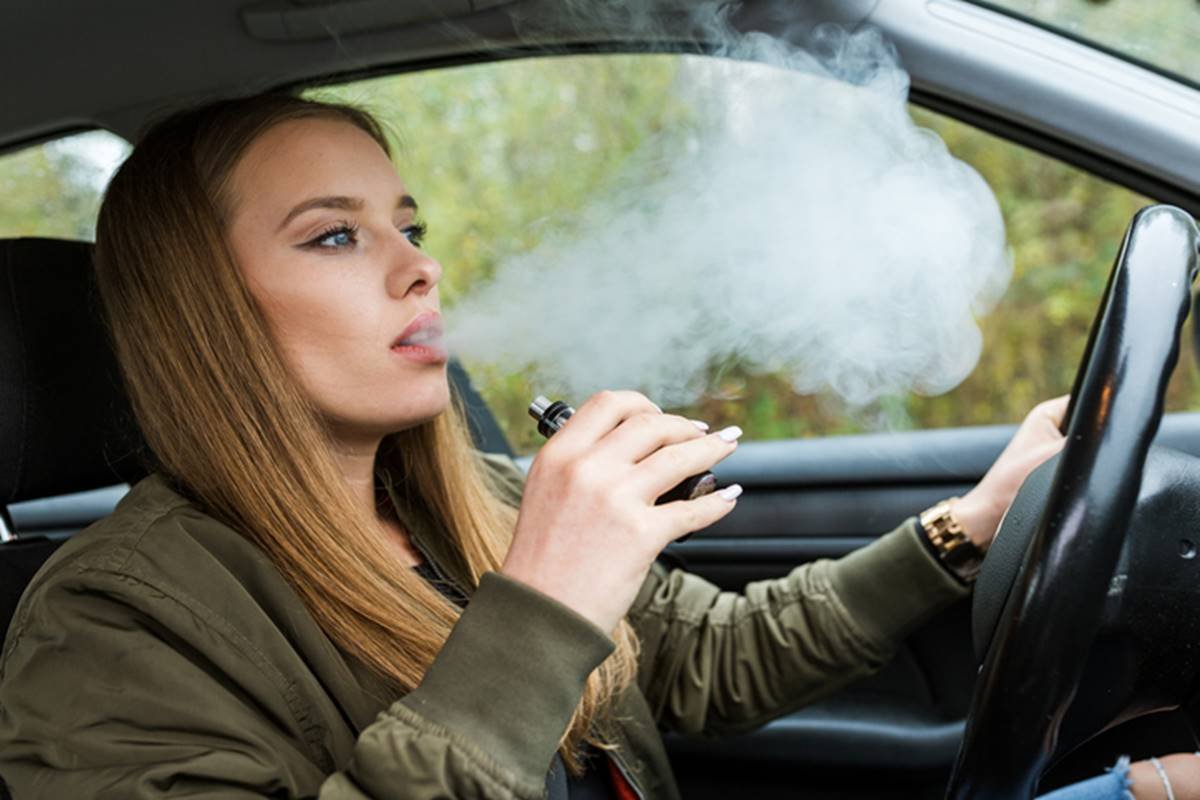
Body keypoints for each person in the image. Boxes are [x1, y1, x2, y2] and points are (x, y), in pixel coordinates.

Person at [0, 92, 1190, 800]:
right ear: (204, 313)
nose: (422, 266)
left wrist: (965, 525)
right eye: (334, 237)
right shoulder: (106, 624)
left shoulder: (474, 498)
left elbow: (721, 659)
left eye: (411, 224)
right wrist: (540, 607)